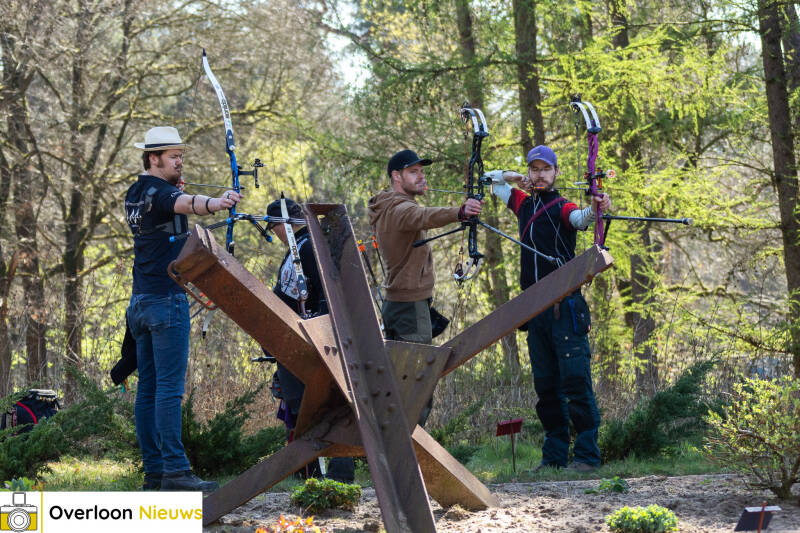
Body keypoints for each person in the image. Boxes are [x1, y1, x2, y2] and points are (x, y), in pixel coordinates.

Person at [125, 126, 241, 491]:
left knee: (149, 390)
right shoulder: (160, 192)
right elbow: (185, 204)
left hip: (141, 302)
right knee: (168, 391)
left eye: (181, 155)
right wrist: (217, 203)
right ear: (153, 158)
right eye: (172, 156)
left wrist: (179, 193)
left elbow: (168, 211)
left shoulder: (136, 191)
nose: (179, 160)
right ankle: (175, 471)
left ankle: (155, 473)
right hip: (164, 301)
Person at [488, 145, 611, 472]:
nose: (540, 174)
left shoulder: (562, 205)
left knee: (575, 381)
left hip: (564, 308)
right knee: (546, 387)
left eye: (546, 169)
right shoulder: (522, 203)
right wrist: (514, 178)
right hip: (536, 312)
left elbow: (580, 220)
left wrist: (596, 206)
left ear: (556, 173)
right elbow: (492, 180)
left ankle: (586, 456)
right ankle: (554, 457)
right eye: (534, 169)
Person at [367, 149, 483, 425]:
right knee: (418, 384)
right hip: (409, 307)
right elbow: (424, 216)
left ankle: (399, 448)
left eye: (422, 171)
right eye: (413, 172)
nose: (421, 177)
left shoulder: (390, 206)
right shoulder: (399, 209)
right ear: (397, 176)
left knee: (402, 381)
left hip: (401, 303)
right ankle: (409, 452)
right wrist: (460, 211)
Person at [264, 196, 355, 483]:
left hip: (307, 340)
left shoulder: (303, 249)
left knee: (302, 408)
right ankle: (326, 473)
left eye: (274, 228)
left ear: (283, 225)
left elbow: (307, 297)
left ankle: (313, 474)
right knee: (332, 406)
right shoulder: (310, 245)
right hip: (318, 337)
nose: (275, 234)